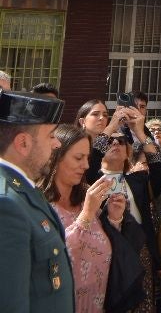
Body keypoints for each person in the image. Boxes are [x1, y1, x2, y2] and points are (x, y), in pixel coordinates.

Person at [0, 87, 74, 311]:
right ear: (23, 143)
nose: (57, 143)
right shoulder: (6, 205)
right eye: (51, 135)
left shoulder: (22, 190)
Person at [39, 124, 124, 313]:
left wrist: (114, 219)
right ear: (56, 158)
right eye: (78, 158)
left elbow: (101, 246)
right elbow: (55, 255)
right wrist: (85, 215)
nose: (85, 165)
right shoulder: (38, 204)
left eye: (87, 158)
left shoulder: (87, 197)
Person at [100, 130, 161, 307]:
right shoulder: (89, 182)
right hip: (106, 261)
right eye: (109, 141)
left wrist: (139, 130)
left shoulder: (138, 180)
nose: (115, 144)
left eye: (121, 141)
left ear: (128, 151)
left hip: (141, 258)